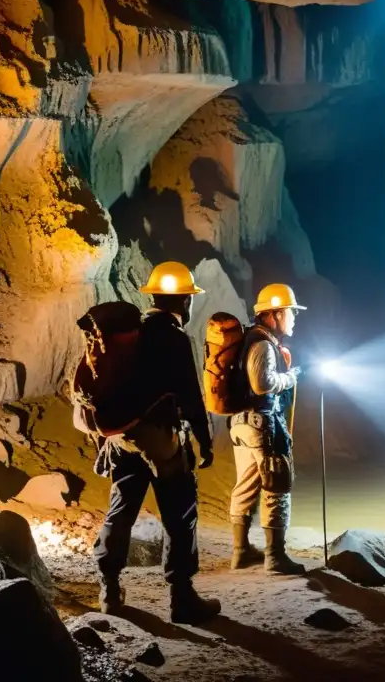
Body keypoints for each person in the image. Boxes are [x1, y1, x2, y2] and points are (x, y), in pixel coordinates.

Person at [93, 261, 221, 624]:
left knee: (122, 510)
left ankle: (110, 588)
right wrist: (204, 440)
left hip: (121, 438)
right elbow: (190, 396)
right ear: (182, 302)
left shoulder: (130, 335)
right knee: (180, 512)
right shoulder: (174, 338)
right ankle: (182, 598)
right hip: (160, 438)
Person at [227, 283, 306, 575]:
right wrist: (291, 378)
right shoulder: (262, 343)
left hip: (242, 424)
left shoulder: (252, 339)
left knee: (246, 485)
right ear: (273, 314)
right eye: (290, 312)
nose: (294, 318)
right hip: (261, 425)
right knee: (277, 484)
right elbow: (262, 383)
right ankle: (275, 557)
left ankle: (241, 552)